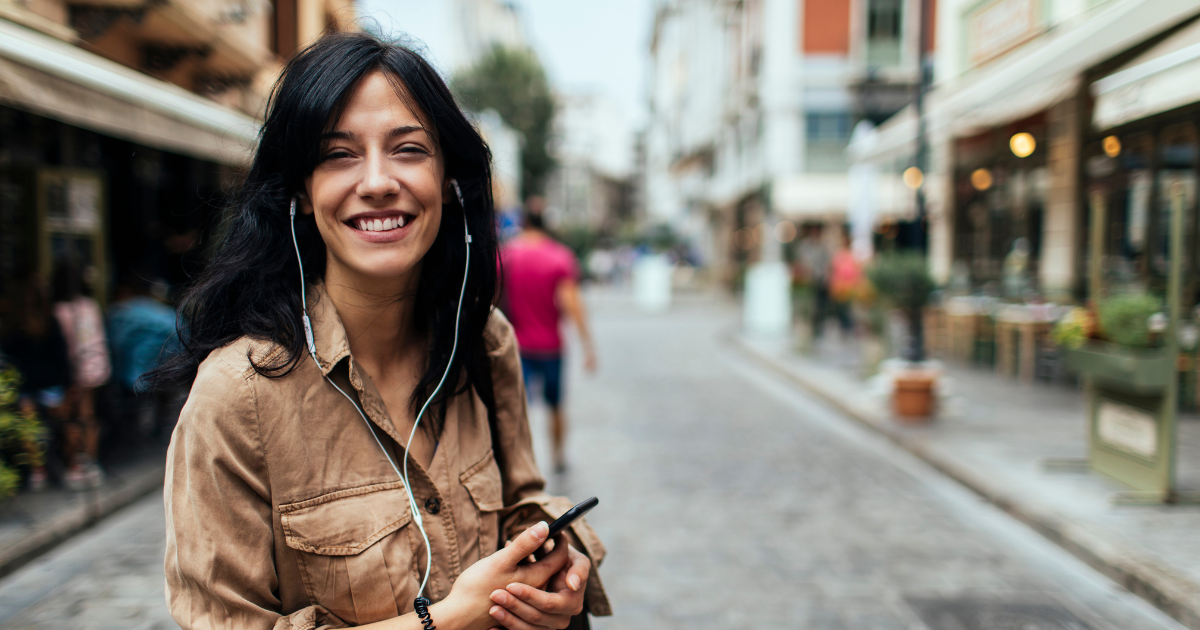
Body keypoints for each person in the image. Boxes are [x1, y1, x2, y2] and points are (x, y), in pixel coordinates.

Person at [145, 32, 609, 630]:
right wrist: (444, 621)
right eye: (339, 154)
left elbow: (522, 501)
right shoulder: (237, 395)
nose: (377, 181)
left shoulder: (483, 341)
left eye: (408, 149)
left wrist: (556, 568)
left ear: (447, 180)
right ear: (302, 194)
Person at [499, 199, 596, 473]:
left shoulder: (505, 255)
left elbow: (489, 299)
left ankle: (517, 462)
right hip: (551, 346)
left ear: (524, 222)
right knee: (555, 406)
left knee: (516, 409)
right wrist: (588, 346)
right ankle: (558, 457)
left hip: (515, 346)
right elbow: (572, 305)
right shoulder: (559, 256)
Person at [1, 275, 71, 491]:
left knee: (57, 420)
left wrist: (66, 387)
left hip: (46, 386)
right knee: (30, 419)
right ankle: (42, 468)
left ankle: (55, 466)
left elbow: (61, 358)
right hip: (31, 387)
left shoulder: (49, 322)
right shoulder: (16, 326)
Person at [51, 261, 111, 490]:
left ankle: (76, 464)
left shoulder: (60, 311)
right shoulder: (90, 305)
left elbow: (66, 346)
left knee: (73, 417)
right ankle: (90, 461)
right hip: (96, 365)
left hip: (75, 369)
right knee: (88, 414)